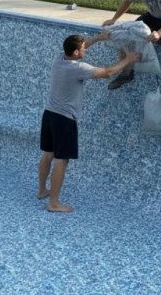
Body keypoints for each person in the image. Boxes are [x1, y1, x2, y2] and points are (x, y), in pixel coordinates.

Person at [38, 33, 140, 213]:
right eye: (83, 48)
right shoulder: (77, 68)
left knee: (48, 154)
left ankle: (42, 191)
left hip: (49, 114)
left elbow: (81, 47)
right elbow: (107, 72)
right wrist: (127, 60)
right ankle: (53, 203)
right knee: (62, 160)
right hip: (64, 119)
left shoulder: (59, 59)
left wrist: (100, 38)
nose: (86, 49)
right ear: (77, 52)